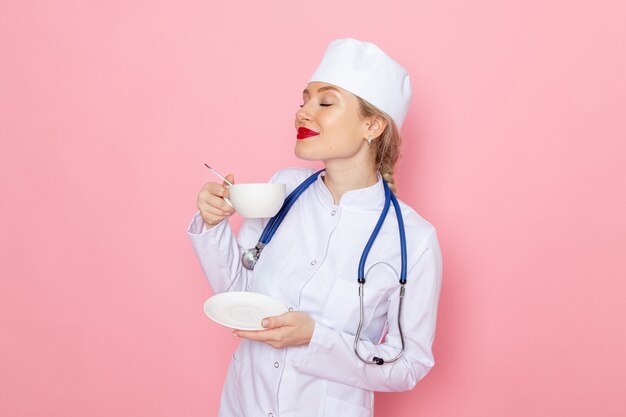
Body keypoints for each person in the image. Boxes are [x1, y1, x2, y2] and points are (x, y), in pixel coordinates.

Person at [187, 38, 442, 417]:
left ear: (371, 125)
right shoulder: (281, 189)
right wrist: (213, 225)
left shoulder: (413, 241)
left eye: (324, 102)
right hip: (244, 404)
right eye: (303, 100)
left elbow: (408, 364)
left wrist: (316, 339)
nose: (303, 113)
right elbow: (237, 295)